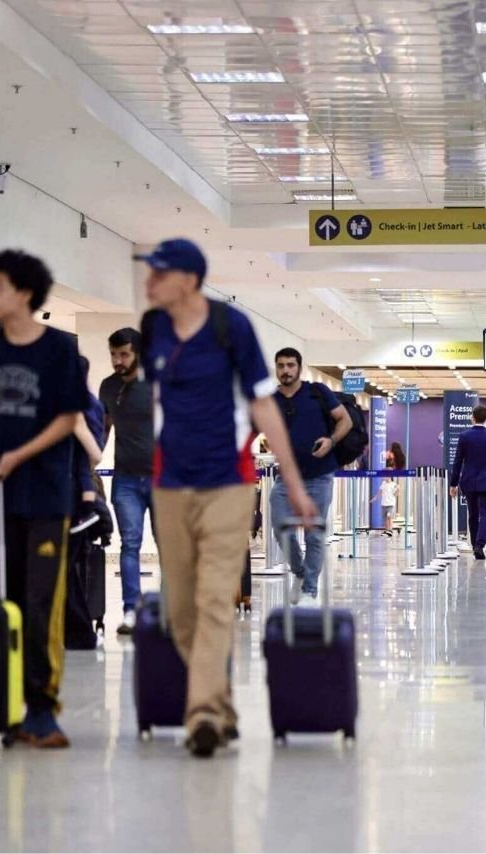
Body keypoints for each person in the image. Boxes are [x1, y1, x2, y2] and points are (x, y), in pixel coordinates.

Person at [137, 238, 316, 757]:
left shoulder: (229, 328)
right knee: (180, 610)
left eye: (159, 273)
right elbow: (160, 407)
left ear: (188, 279)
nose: (149, 282)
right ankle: (222, 702)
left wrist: (295, 482)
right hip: (170, 483)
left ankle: (203, 717)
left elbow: (262, 406)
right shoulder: (158, 331)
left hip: (228, 483)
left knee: (216, 598)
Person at [0, 249, 89, 748]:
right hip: (0, 495)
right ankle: (10, 704)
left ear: (24, 293)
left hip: (47, 494)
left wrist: (16, 457)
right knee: (9, 600)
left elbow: (68, 419)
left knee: (41, 603)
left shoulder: (58, 350)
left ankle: (43, 708)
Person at [271, 348, 353, 607]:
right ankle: (300, 572)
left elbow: (345, 421)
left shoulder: (318, 393)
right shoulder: (271, 399)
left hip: (319, 475)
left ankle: (309, 591)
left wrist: (331, 440)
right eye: (281, 365)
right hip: (286, 477)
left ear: (299, 367)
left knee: (314, 534)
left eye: (290, 365)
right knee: (281, 528)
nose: (286, 370)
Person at [99, 328, 153, 633]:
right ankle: (131, 610)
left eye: (124, 354)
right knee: (129, 543)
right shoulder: (108, 387)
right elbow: (104, 427)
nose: (118, 360)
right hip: (126, 479)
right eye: (113, 354)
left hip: (161, 478)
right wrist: (93, 456)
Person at [448, 405, 486, 561]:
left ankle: (475, 545)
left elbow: (458, 461)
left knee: (472, 513)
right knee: (485, 512)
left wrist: (453, 484)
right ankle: (480, 545)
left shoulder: (464, 436)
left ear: (473, 417)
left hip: (469, 480)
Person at [70, 356, 104, 536]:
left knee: (83, 470)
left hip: (83, 452)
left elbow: (95, 454)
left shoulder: (76, 404)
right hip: (91, 447)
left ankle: (86, 511)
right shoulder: (93, 401)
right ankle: (87, 510)